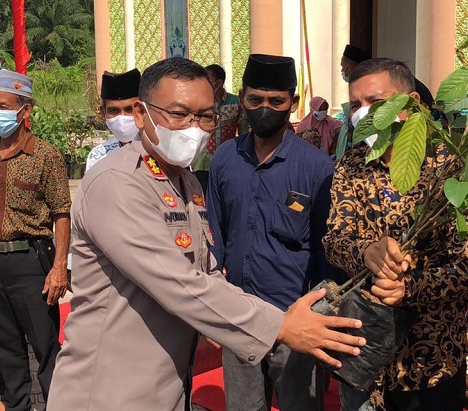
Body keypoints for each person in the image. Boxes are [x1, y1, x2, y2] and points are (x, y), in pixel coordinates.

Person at [47, 57, 365, 411]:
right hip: (111, 388)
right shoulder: (118, 183)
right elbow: (179, 282)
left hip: (169, 378)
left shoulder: (184, 181)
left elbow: (208, 268)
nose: (192, 128)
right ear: (141, 113)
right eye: (179, 114)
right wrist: (280, 326)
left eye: (204, 116)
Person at [324, 58, 468, 411]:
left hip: (430, 361)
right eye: (355, 105)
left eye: (376, 103)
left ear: (411, 102)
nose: (363, 113)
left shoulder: (452, 169)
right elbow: (335, 239)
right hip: (363, 355)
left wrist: (408, 288)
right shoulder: (352, 164)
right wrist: (366, 252)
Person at [208, 55, 336, 410]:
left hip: (295, 321)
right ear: (242, 98)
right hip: (240, 317)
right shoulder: (224, 159)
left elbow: (328, 254)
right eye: (255, 100)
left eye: (276, 102)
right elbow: (215, 236)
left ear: (291, 104)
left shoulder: (317, 168)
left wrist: (319, 317)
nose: (265, 109)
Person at [0, 69, 71, 411]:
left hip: (30, 262)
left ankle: (60, 404)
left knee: (45, 344)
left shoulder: (45, 155)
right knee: (2, 343)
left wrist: (58, 269)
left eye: (3, 106)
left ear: (25, 111)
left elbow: (61, 214)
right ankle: (17, 403)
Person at [193, 63, 243, 191]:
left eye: (208, 80)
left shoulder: (236, 103)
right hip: (203, 163)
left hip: (229, 162)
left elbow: (243, 134)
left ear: (218, 83)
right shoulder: (200, 104)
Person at [85, 69, 142, 171]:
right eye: (114, 110)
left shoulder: (158, 152)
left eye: (129, 109)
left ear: (142, 110)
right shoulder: (98, 156)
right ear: (103, 113)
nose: (122, 117)